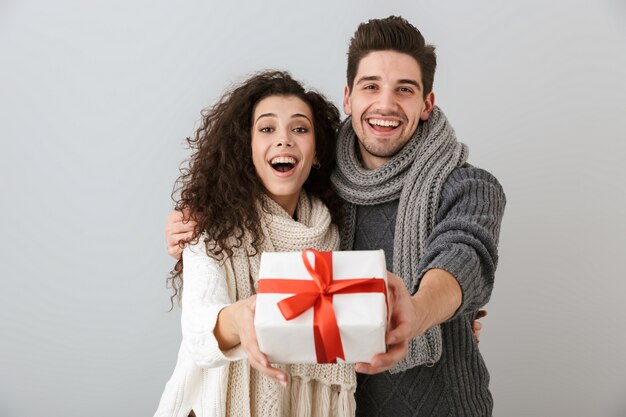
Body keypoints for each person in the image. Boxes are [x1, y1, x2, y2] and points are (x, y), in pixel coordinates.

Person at [166, 16, 505, 417]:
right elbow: (259, 225)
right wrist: (188, 231)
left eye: (405, 89)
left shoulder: (469, 186)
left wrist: (421, 310)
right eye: (371, 86)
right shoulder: (319, 187)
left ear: (426, 104)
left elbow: (465, 256)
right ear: (348, 98)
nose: (385, 104)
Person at [154, 71, 359, 417]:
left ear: (318, 151)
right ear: (246, 148)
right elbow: (198, 330)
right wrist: (239, 319)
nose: (284, 140)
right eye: (267, 129)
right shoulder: (210, 227)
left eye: (299, 128)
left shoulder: (335, 234)